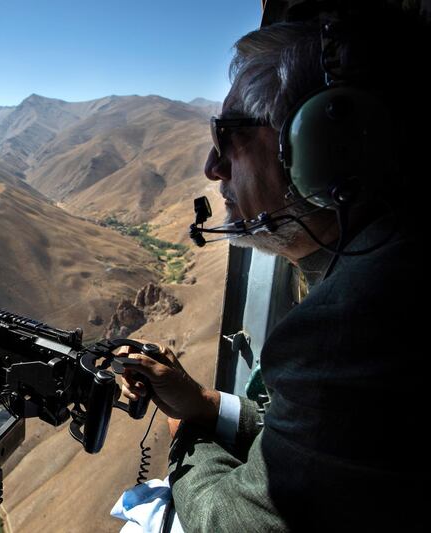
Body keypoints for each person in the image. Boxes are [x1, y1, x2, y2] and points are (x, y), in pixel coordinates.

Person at [113, 5, 428, 532]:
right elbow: (319, 440)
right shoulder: (386, 262)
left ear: (325, 148)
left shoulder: (359, 319)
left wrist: (187, 431)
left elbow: (239, 523)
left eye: (229, 135)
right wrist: (209, 404)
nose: (212, 167)